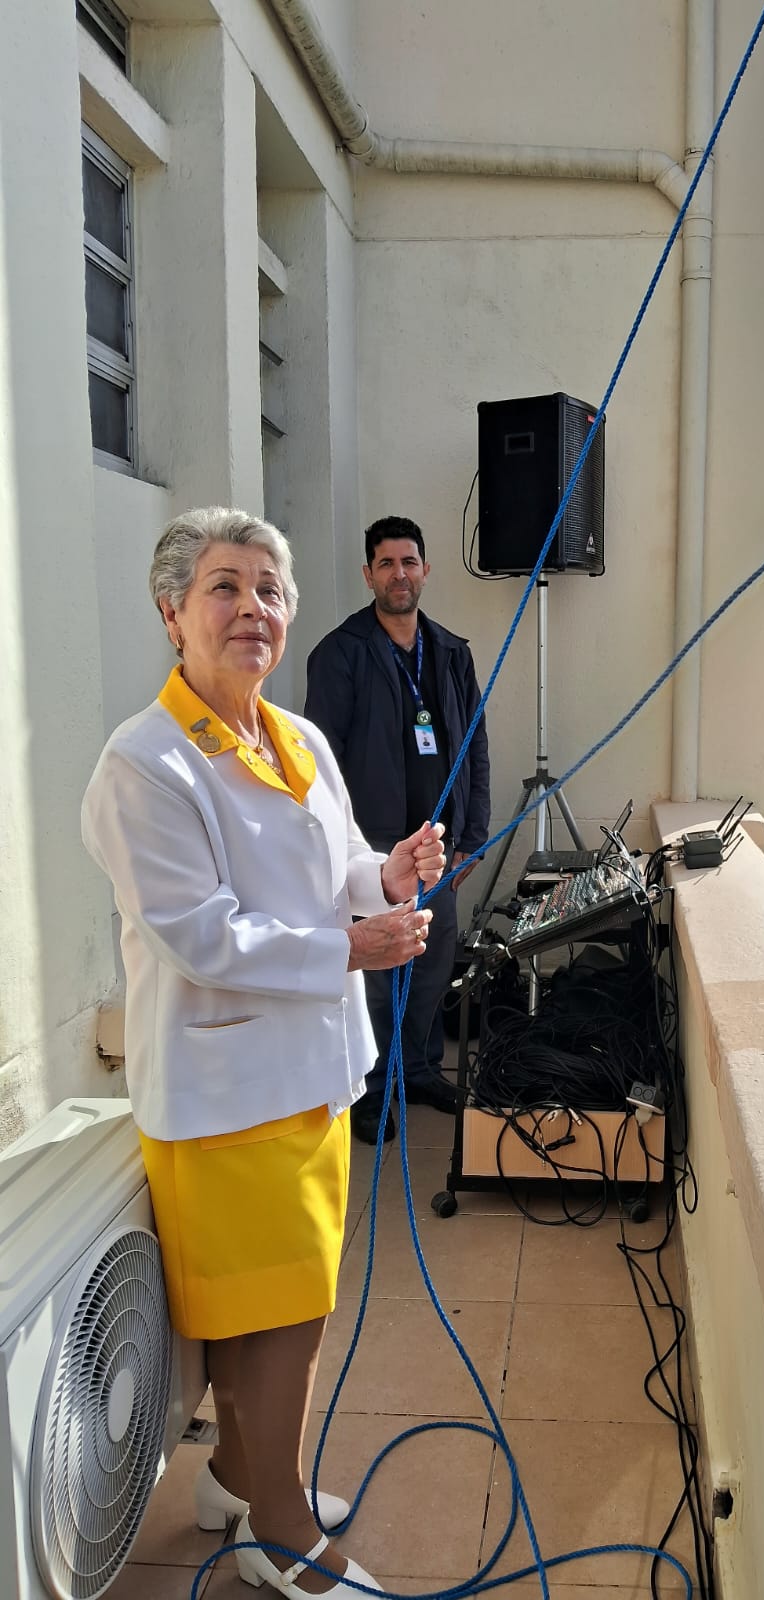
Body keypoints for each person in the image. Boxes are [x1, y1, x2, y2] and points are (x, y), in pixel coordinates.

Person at [82, 507, 446, 1597]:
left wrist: (386, 875)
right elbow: (200, 935)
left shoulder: (295, 737)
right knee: (270, 1322)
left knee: (292, 1304)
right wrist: (350, 948)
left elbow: (338, 863)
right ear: (172, 614)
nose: (254, 609)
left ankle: (238, 1480)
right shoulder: (145, 763)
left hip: (314, 1075)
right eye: (225, 587)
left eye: (270, 590)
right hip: (228, 1091)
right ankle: (279, 1533)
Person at [304, 515, 490, 1140]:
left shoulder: (452, 653)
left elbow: (475, 748)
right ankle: (374, 1086)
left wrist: (471, 838)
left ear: (425, 570)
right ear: (369, 575)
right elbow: (319, 765)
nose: (399, 574)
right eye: (386, 564)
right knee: (379, 980)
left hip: (439, 851)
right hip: (374, 857)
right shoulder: (340, 655)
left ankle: (420, 1070)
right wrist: (342, 853)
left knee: (433, 966)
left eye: (409, 562)